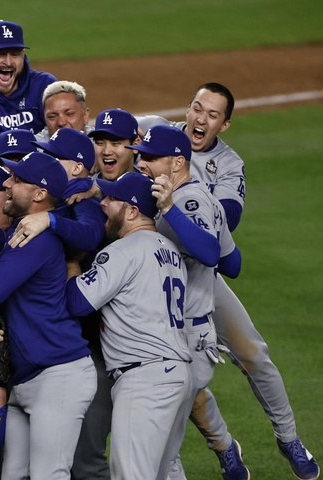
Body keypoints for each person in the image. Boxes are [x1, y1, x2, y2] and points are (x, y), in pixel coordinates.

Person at [145, 83, 319, 480]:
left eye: (211, 114)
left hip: (199, 275)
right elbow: (109, 137)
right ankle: (224, 447)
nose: (199, 119)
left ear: (225, 123)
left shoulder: (228, 164)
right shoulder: (162, 138)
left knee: (253, 353)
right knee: (178, 378)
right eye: (196, 108)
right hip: (153, 279)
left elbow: (223, 229)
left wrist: (184, 201)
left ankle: (288, 437)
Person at [0, 151, 97, 479]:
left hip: (58, 374)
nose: (7, 183)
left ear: (39, 194)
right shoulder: (23, 229)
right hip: (28, 376)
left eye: (17, 180)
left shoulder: (38, 240)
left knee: (50, 474)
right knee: (13, 474)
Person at [66, 171, 193, 480]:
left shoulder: (124, 250)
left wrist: (71, 262)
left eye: (112, 199)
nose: (103, 204)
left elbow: (78, 303)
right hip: (177, 375)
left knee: (130, 475)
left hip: (145, 378)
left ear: (133, 211)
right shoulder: (170, 250)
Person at [135, 125, 242, 479]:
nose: (142, 163)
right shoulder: (198, 198)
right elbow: (233, 262)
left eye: (151, 158)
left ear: (178, 162)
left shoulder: (185, 201)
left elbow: (211, 254)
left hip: (188, 340)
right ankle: (229, 453)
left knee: (162, 453)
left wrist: (171, 209)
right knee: (163, 448)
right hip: (181, 338)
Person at [90, 108, 140, 181]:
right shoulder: (83, 190)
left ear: (135, 146)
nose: (106, 152)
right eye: (100, 143)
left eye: (115, 144)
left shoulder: (153, 187)